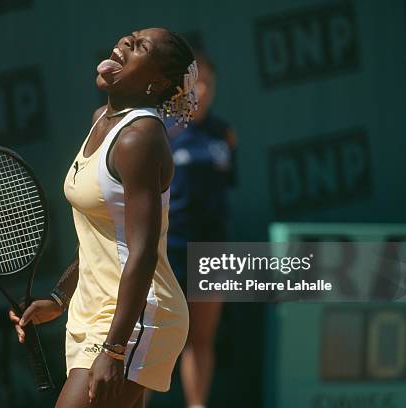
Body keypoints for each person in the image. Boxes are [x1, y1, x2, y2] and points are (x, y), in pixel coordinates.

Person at [9, 28, 197, 408]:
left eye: (141, 46)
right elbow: (107, 235)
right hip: (90, 312)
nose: (127, 42)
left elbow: (141, 252)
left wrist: (113, 351)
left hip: (134, 317)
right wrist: (60, 298)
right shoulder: (101, 119)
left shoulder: (139, 138)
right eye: (131, 36)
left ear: (155, 83)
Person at [167, 53, 237, 408]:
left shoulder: (224, 134)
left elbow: (228, 186)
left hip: (213, 247)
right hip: (168, 248)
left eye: (209, 82)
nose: (203, 90)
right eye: (195, 83)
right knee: (155, 340)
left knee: (201, 339)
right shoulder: (162, 132)